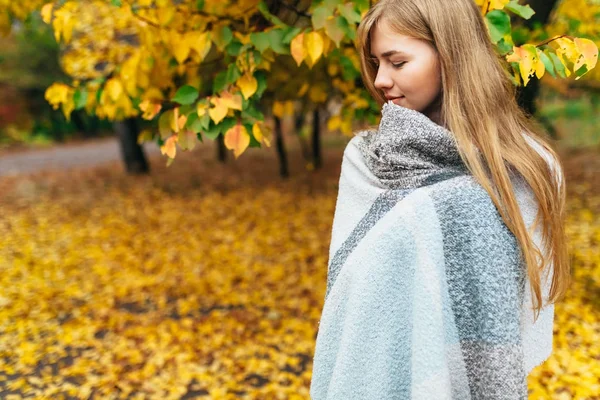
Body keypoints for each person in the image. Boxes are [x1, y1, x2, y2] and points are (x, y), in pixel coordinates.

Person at [309, 0, 570, 399]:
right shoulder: (368, 161)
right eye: (376, 63)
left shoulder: (523, 166)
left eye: (397, 62)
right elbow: (350, 292)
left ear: (450, 55)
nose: (380, 79)